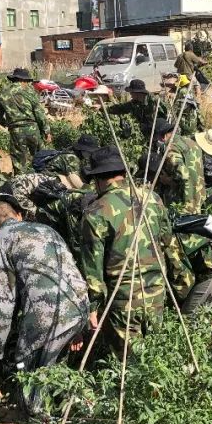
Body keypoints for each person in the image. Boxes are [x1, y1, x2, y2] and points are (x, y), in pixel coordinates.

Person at [0, 196, 89, 412]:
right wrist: (79, 327)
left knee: (29, 378)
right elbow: (72, 273)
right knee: (55, 371)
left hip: (46, 317)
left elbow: (2, 301)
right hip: (80, 306)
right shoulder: (47, 230)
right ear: (18, 215)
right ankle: (70, 421)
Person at [78, 148, 191, 354]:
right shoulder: (152, 198)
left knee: (128, 361)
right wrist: (179, 280)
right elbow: (168, 243)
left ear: (98, 179)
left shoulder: (95, 213)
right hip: (156, 291)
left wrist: (92, 308)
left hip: (123, 300)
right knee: (155, 356)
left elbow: (93, 272)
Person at [0, 68, 51, 173]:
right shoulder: (29, 92)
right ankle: (43, 182)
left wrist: (8, 125)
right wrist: (46, 131)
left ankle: (21, 185)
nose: (27, 84)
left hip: (15, 132)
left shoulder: (3, 93)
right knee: (41, 158)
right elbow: (39, 114)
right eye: (27, 82)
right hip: (33, 130)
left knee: (19, 163)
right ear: (22, 80)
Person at [148, 118, 206, 214]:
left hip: (186, 203)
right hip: (200, 195)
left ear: (163, 136)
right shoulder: (191, 142)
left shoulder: (171, 149)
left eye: (156, 138)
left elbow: (183, 175)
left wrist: (168, 180)